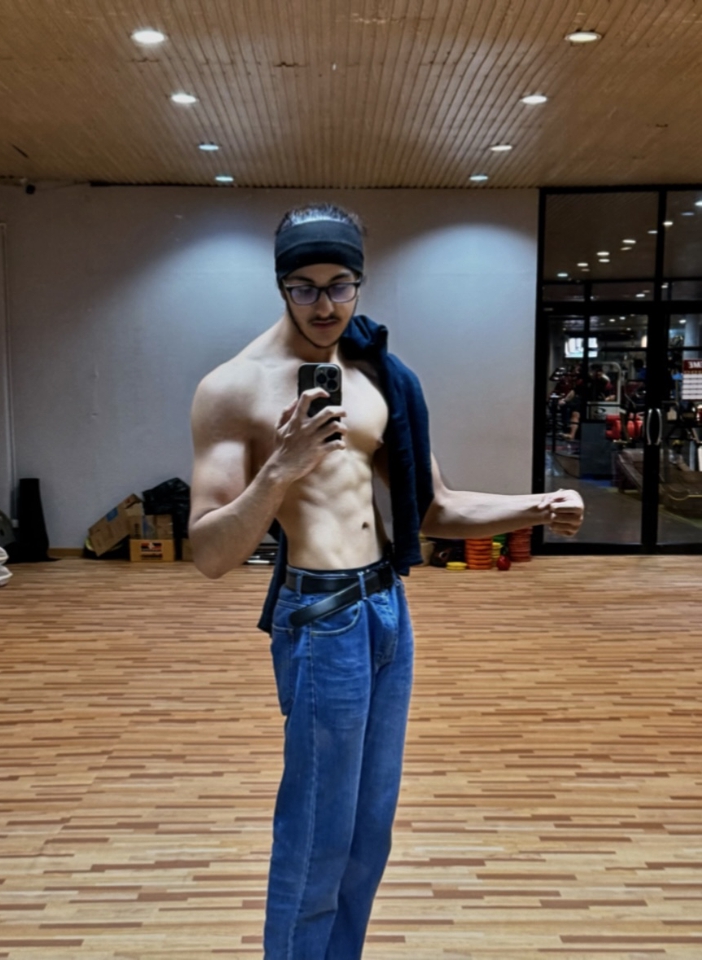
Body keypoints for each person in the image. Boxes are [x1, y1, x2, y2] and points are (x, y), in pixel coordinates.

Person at [188, 203, 585, 960]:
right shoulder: (233, 388)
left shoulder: (377, 376)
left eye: (340, 285)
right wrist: (280, 468)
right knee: (318, 833)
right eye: (305, 288)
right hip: (320, 620)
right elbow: (209, 552)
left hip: (387, 611)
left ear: (361, 282)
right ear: (279, 285)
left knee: (369, 833)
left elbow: (434, 508)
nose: (325, 306)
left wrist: (537, 506)